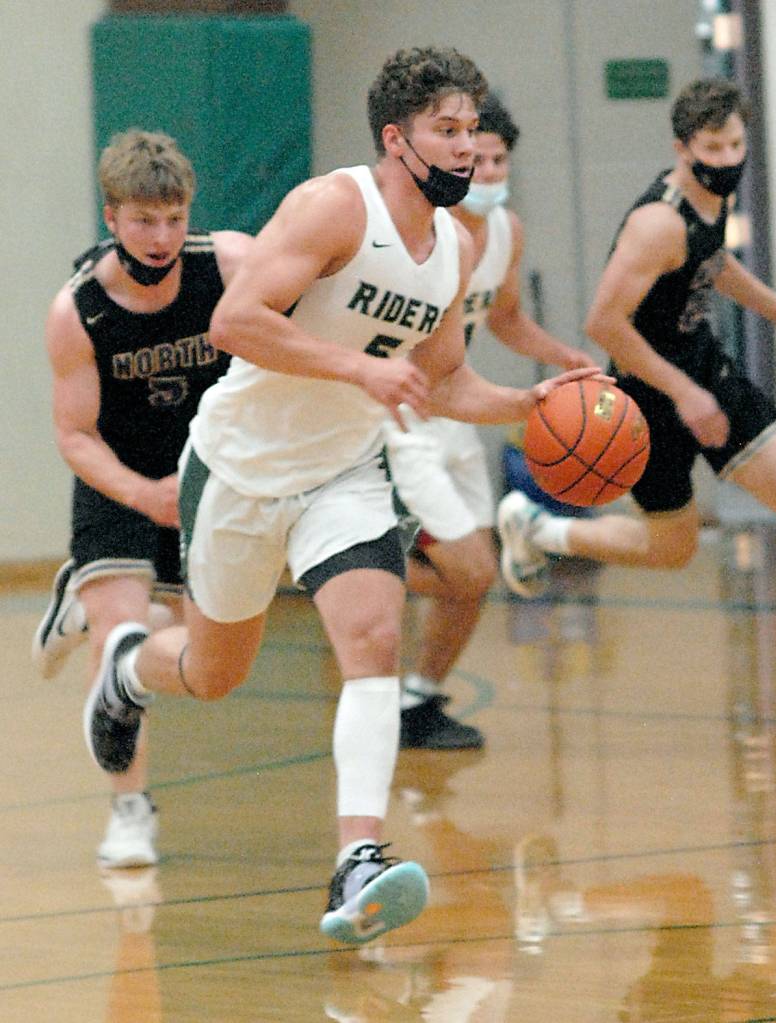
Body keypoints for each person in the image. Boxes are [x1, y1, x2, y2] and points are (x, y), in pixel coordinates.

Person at [80, 46, 605, 943]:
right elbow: (234, 321)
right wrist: (360, 368)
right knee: (213, 672)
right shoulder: (334, 205)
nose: (469, 149)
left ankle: (357, 856)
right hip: (242, 466)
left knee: (370, 636)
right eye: (448, 130)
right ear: (397, 139)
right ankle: (128, 670)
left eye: (474, 129)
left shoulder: (455, 250)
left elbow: (439, 381)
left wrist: (528, 404)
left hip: (346, 470)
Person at [497, 77, 776, 712]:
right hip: (647, 393)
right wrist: (682, 393)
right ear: (682, 147)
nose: (729, 158)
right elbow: (603, 324)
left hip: (702, 366)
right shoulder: (657, 222)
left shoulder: (711, 202)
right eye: (714, 146)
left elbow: (711, 263)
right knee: (671, 550)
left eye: (737, 144)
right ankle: (540, 529)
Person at [31, 129, 252, 867]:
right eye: (144, 219)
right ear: (112, 216)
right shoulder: (79, 310)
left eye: (175, 217)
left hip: (204, 477)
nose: (161, 237)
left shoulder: (227, 265)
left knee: (204, 657)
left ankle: (78, 595)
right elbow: (74, 433)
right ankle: (129, 811)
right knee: (121, 635)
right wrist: (140, 492)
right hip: (119, 481)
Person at [382, 93, 595, 750]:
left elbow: (503, 318)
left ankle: (419, 697)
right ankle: (332, 566)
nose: (494, 170)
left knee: (472, 579)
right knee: (470, 568)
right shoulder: (421, 227)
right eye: (485, 156)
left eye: (504, 159)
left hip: (457, 409)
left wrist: (560, 355)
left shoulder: (506, 232)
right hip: (402, 412)